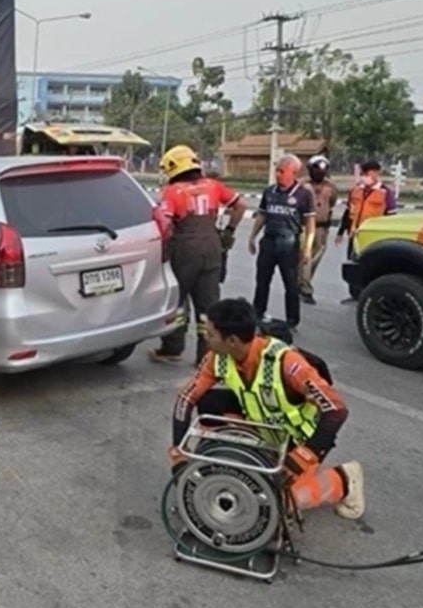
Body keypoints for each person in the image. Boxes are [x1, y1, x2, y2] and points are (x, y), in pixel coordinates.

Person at [169, 297, 365, 520]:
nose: (205, 337)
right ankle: (236, 455)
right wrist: (178, 453)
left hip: (300, 439)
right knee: (210, 401)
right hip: (264, 430)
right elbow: (186, 398)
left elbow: (337, 411)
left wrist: (302, 457)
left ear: (231, 340)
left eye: (211, 334)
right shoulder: (217, 358)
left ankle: (346, 479)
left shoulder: (288, 363)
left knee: (277, 504)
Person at [149, 145, 246, 366]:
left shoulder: (173, 192)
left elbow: (164, 223)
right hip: (212, 248)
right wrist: (229, 232)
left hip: (184, 251)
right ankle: (207, 356)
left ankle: (172, 348)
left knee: (177, 301)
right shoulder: (213, 186)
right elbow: (240, 206)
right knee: (208, 305)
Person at [248, 154, 316, 330]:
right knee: (262, 280)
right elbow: (262, 215)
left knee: (290, 283)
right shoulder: (269, 191)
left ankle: (292, 320)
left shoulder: (303, 194)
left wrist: (307, 248)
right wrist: (252, 237)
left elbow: (310, 224)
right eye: (276, 170)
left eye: (282, 171)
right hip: (269, 242)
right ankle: (258, 312)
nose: (278, 175)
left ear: (293, 172)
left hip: (289, 243)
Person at [335, 160, 397, 303]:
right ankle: (354, 294)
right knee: (353, 264)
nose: (365, 177)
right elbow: (348, 212)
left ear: (376, 173)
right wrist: (340, 232)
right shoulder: (356, 191)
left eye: (368, 173)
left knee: (372, 265)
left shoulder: (385, 193)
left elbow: (391, 216)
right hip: (355, 235)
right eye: (363, 174)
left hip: (374, 237)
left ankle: (371, 294)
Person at [299, 155, 339, 306]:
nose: (320, 172)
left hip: (322, 226)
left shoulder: (331, 186)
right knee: (305, 256)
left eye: (323, 169)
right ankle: (305, 288)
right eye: (317, 168)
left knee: (317, 255)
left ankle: (302, 280)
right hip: (304, 226)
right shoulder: (301, 184)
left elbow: (332, 202)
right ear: (310, 169)